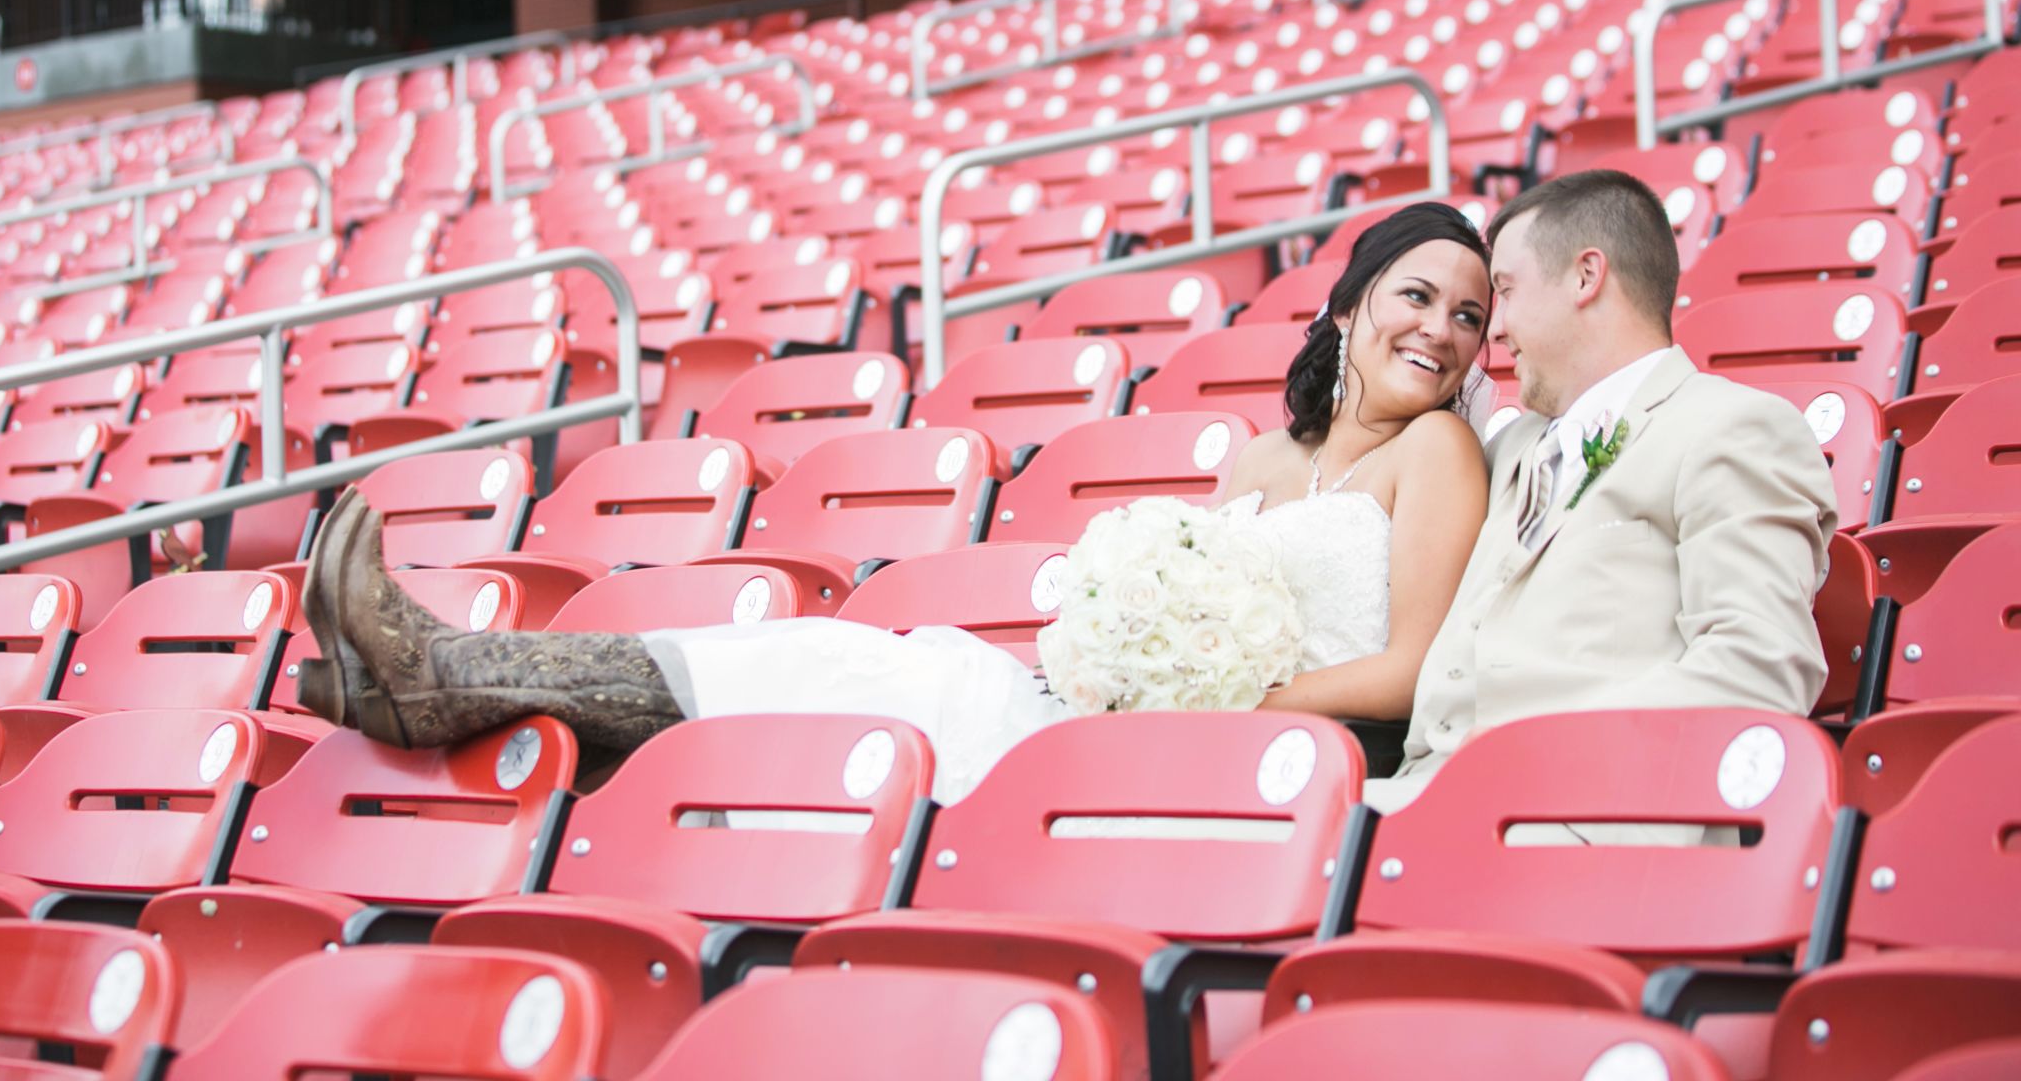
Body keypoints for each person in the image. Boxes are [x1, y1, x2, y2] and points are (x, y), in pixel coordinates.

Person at [295, 203, 1495, 802]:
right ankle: (446, 677)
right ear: (1347, 307)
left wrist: (1213, 692)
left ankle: (440, 678)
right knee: (821, 662)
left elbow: (1407, 671)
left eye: (1471, 317)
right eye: (1419, 294)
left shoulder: (1438, 451)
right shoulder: (1256, 462)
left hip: (1251, 749)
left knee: (854, 674)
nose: (1441, 331)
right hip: (1130, 717)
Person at [1362, 169, 1838, 816]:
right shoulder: (1505, 451)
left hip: (1583, 824)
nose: (1492, 334)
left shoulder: (1733, 426)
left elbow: (1760, 664)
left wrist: (1535, 751)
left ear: (1586, 277)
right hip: (1408, 800)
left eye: (1505, 291)